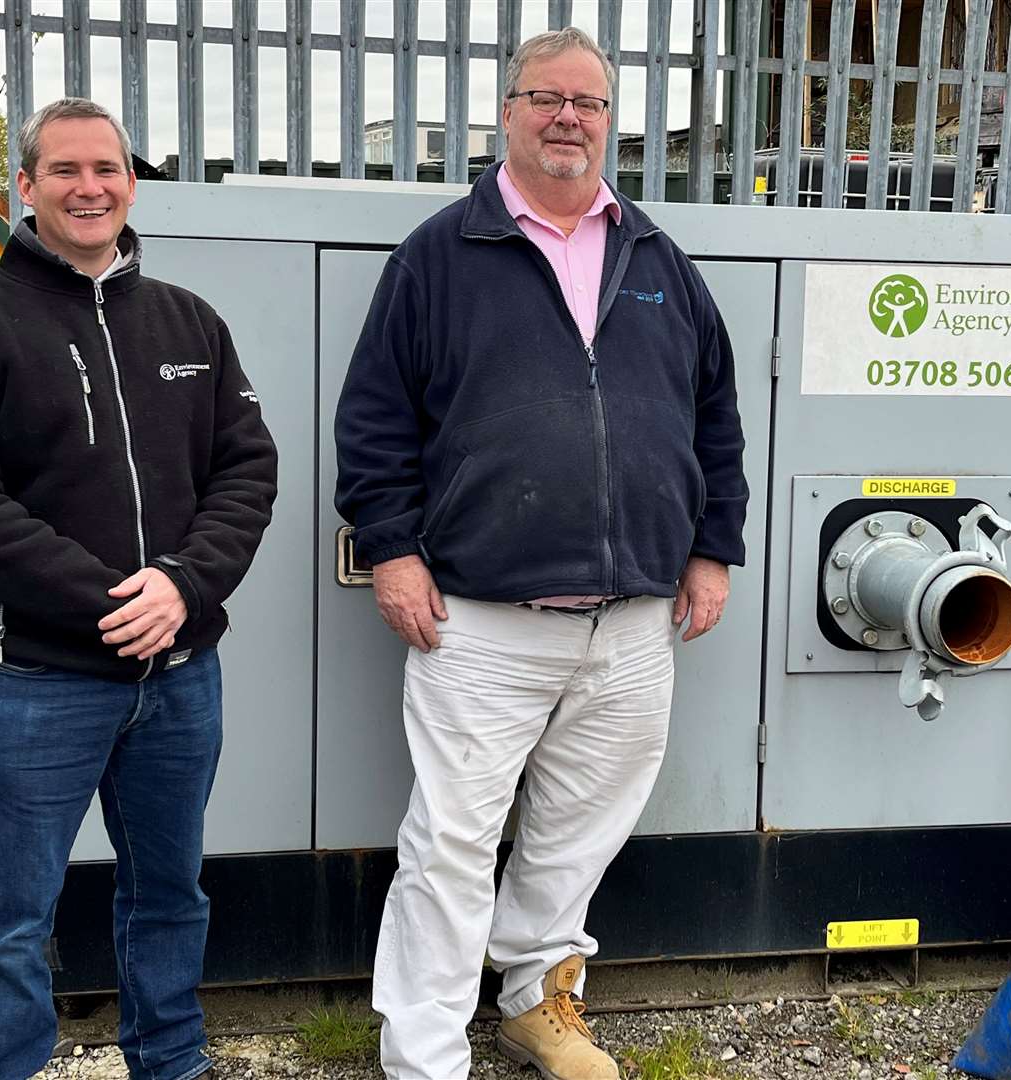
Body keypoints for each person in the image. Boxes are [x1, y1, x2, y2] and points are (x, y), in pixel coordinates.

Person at [335, 26, 747, 1080]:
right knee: (449, 846)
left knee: (576, 831)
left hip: (633, 620)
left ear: (610, 122)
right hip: (478, 621)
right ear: (508, 112)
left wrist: (711, 550)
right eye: (545, 98)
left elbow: (713, 419)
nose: (568, 118)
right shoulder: (440, 254)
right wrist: (391, 550)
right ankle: (424, 1053)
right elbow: (375, 421)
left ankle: (533, 1002)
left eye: (589, 103)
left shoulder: (657, 259)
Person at [0, 97, 277, 1080]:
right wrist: (115, 599)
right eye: (63, 170)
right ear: (25, 188)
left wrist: (183, 586)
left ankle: (170, 1061)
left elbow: (247, 470)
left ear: (129, 181)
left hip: (180, 678)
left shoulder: (188, 320)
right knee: (9, 921)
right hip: (36, 682)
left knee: (170, 896)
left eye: (105, 168)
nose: (88, 187)